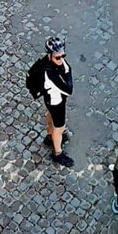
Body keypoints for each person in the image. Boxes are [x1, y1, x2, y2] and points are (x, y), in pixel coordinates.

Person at [41, 35, 74, 168]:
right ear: (50, 55)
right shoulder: (51, 75)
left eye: (63, 56)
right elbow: (68, 90)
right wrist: (67, 72)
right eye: (58, 57)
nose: (61, 59)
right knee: (59, 127)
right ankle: (57, 152)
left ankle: (50, 136)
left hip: (49, 99)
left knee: (50, 115)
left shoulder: (45, 63)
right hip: (56, 101)